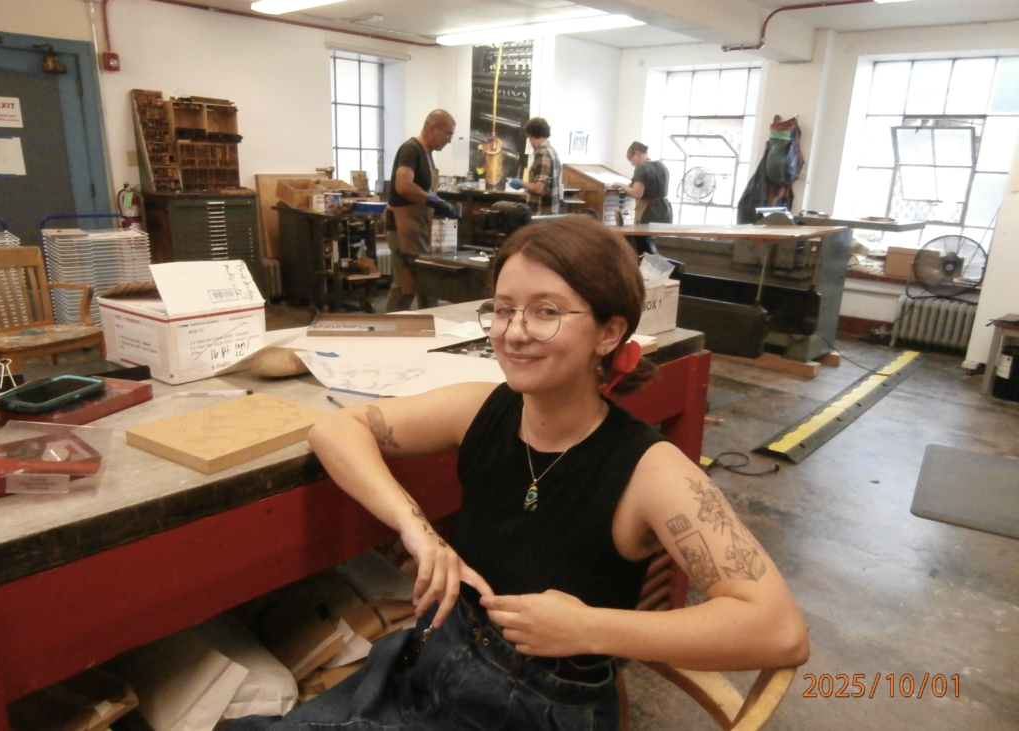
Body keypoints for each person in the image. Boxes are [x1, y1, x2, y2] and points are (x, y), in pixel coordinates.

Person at [234, 215, 809, 731]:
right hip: (432, 661)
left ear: (609, 334)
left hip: (535, 707)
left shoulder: (648, 471)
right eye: (504, 308)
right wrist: (418, 529)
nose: (513, 331)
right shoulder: (481, 408)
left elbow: (778, 630)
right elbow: (336, 429)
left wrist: (592, 629)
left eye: (547, 311)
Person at [384, 109, 459, 313]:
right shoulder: (411, 150)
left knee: (428, 284)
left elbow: (421, 189)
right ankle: (385, 331)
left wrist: (438, 203)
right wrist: (434, 201)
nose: (449, 140)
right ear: (433, 128)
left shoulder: (426, 154)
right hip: (403, 230)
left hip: (418, 229)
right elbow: (403, 185)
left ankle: (430, 325)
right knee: (405, 287)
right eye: (448, 134)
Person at [614, 141, 672, 255]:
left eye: (631, 160)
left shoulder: (642, 168)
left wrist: (621, 185)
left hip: (650, 211)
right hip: (665, 209)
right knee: (659, 245)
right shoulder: (661, 165)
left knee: (643, 244)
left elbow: (637, 193)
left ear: (637, 154)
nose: (632, 164)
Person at [508, 117, 561, 216]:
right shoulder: (552, 151)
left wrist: (521, 183)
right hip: (549, 213)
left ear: (531, 135)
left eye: (528, 137)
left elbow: (540, 189)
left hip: (541, 213)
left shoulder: (543, 153)